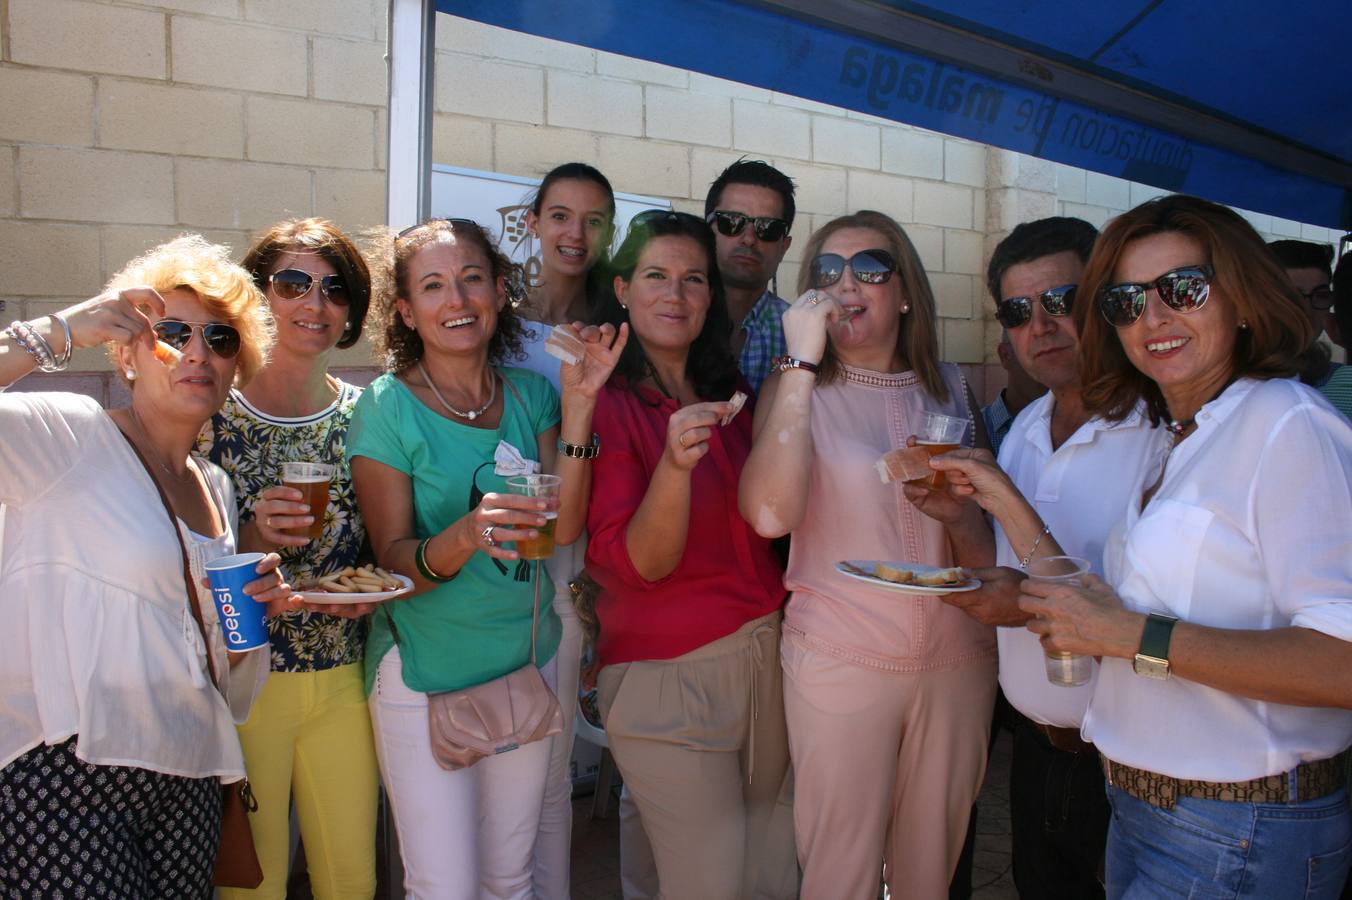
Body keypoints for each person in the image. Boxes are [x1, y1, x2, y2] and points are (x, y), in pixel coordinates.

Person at [935, 195, 1352, 899]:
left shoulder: (1285, 425)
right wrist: (997, 502)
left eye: (1182, 289)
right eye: (1127, 301)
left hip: (1239, 826)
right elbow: (1108, 605)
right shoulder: (1187, 433)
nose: (1152, 318)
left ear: (1243, 296)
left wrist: (1134, 636)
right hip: (1150, 810)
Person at [0, 236, 295, 898]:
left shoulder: (217, 488)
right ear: (128, 353)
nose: (197, 352)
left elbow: (207, 660)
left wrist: (253, 611)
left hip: (190, 773)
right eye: (171, 332)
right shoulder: (69, 437)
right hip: (69, 773)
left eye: (220, 339)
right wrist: (62, 330)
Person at [346, 217, 624, 899]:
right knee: (444, 887)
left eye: (472, 279)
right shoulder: (387, 408)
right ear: (407, 311)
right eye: (434, 286)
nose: (458, 300)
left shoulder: (531, 397)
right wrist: (467, 535)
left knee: (511, 880)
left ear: (500, 291)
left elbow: (565, 531)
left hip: (520, 665)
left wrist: (581, 405)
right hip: (423, 675)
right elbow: (392, 565)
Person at [739, 209, 997, 899]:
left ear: (905, 289)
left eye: (871, 268)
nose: (847, 283)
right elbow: (769, 516)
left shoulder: (953, 387)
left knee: (929, 876)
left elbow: (985, 533)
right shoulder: (795, 390)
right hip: (842, 658)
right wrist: (799, 362)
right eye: (828, 271)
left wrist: (960, 509)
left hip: (958, 662)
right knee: (838, 872)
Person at [586, 210, 796, 900]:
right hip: (667, 678)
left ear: (710, 297)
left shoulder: (729, 391)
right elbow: (639, 564)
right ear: (621, 289)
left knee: (769, 876)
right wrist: (673, 469)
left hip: (767, 663)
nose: (675, 295)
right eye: (655, 275)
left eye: (692, 280)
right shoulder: (604, 406)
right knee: (712, 886)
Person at [948, 216, 1156, 900]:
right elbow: (1005, 567)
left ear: (1105, 300)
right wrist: (956, 517)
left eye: (1061, 302)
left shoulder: (1158, 432)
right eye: (1018, 311)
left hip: (1128, 763)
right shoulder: (1026, 430)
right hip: (1037, 750)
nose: (1041, 326)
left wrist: (1003, 500)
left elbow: (1128, 612)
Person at [197, 218, 380, 900]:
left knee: (351, 877)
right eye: (293, 283)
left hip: (343, 675)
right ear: (259, 295)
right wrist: (251, 539)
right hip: (247, 686)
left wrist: (372, 591)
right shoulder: (212, 413)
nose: (315, 304)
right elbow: (178, 561)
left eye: (335, 290)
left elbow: (379, 550)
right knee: (256, 881)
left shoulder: (369, 414)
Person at [515, 162, 617, 898]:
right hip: (495, 549)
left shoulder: (619, 321)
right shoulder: (491, 314)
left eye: (592, 220)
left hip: (576, 553)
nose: (574, 234)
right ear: (533, 223)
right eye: (559, 215)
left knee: (553, 762)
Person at [704, 158, 796, 391]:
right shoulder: (669, 313)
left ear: (784, 246)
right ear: (706, 231)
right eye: (732, 222)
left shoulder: (799, 333)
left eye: (768, 228)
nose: (749, 238)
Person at [1268, 239, 1352, 419]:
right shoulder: (1217, 382)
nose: (1306, 309)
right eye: (1291, 296)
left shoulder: (1344, 386)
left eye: (1321, 295)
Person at [981, 329, 1046, 455]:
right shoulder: (975, 431)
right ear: (1005, 355)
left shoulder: (1079, 430)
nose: (1049, 369)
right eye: (1037, 354)